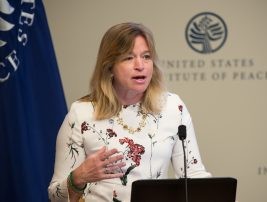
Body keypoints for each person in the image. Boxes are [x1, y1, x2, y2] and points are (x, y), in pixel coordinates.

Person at [48, 22, 211, 202]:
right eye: (128, 58)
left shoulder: (173, 106)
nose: (140, 65)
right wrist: (79, 177)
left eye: (146, 56)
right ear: (109, 66)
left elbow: (194, 176)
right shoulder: (81, 113)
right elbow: (56, 197)